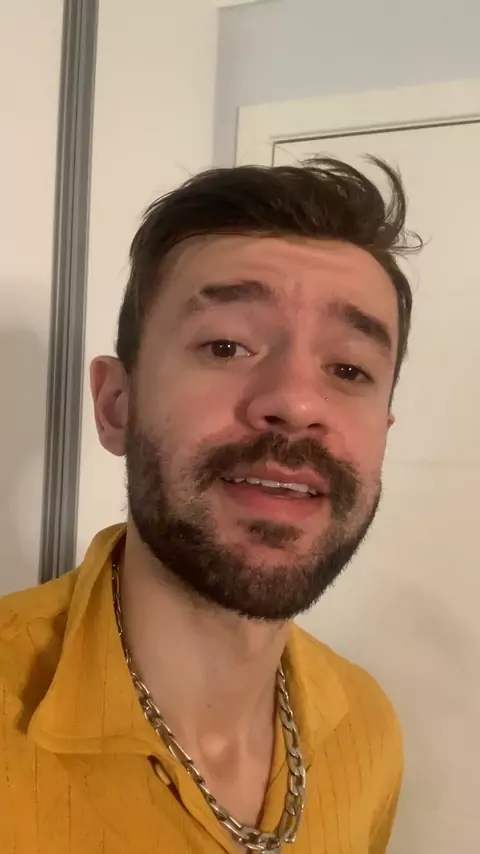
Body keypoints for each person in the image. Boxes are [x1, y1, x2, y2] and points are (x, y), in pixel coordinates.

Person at [0, 156, 420, 853]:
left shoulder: (369, 728)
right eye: (226, 346)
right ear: (116, 404)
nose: (297, 403)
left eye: (349, 368)